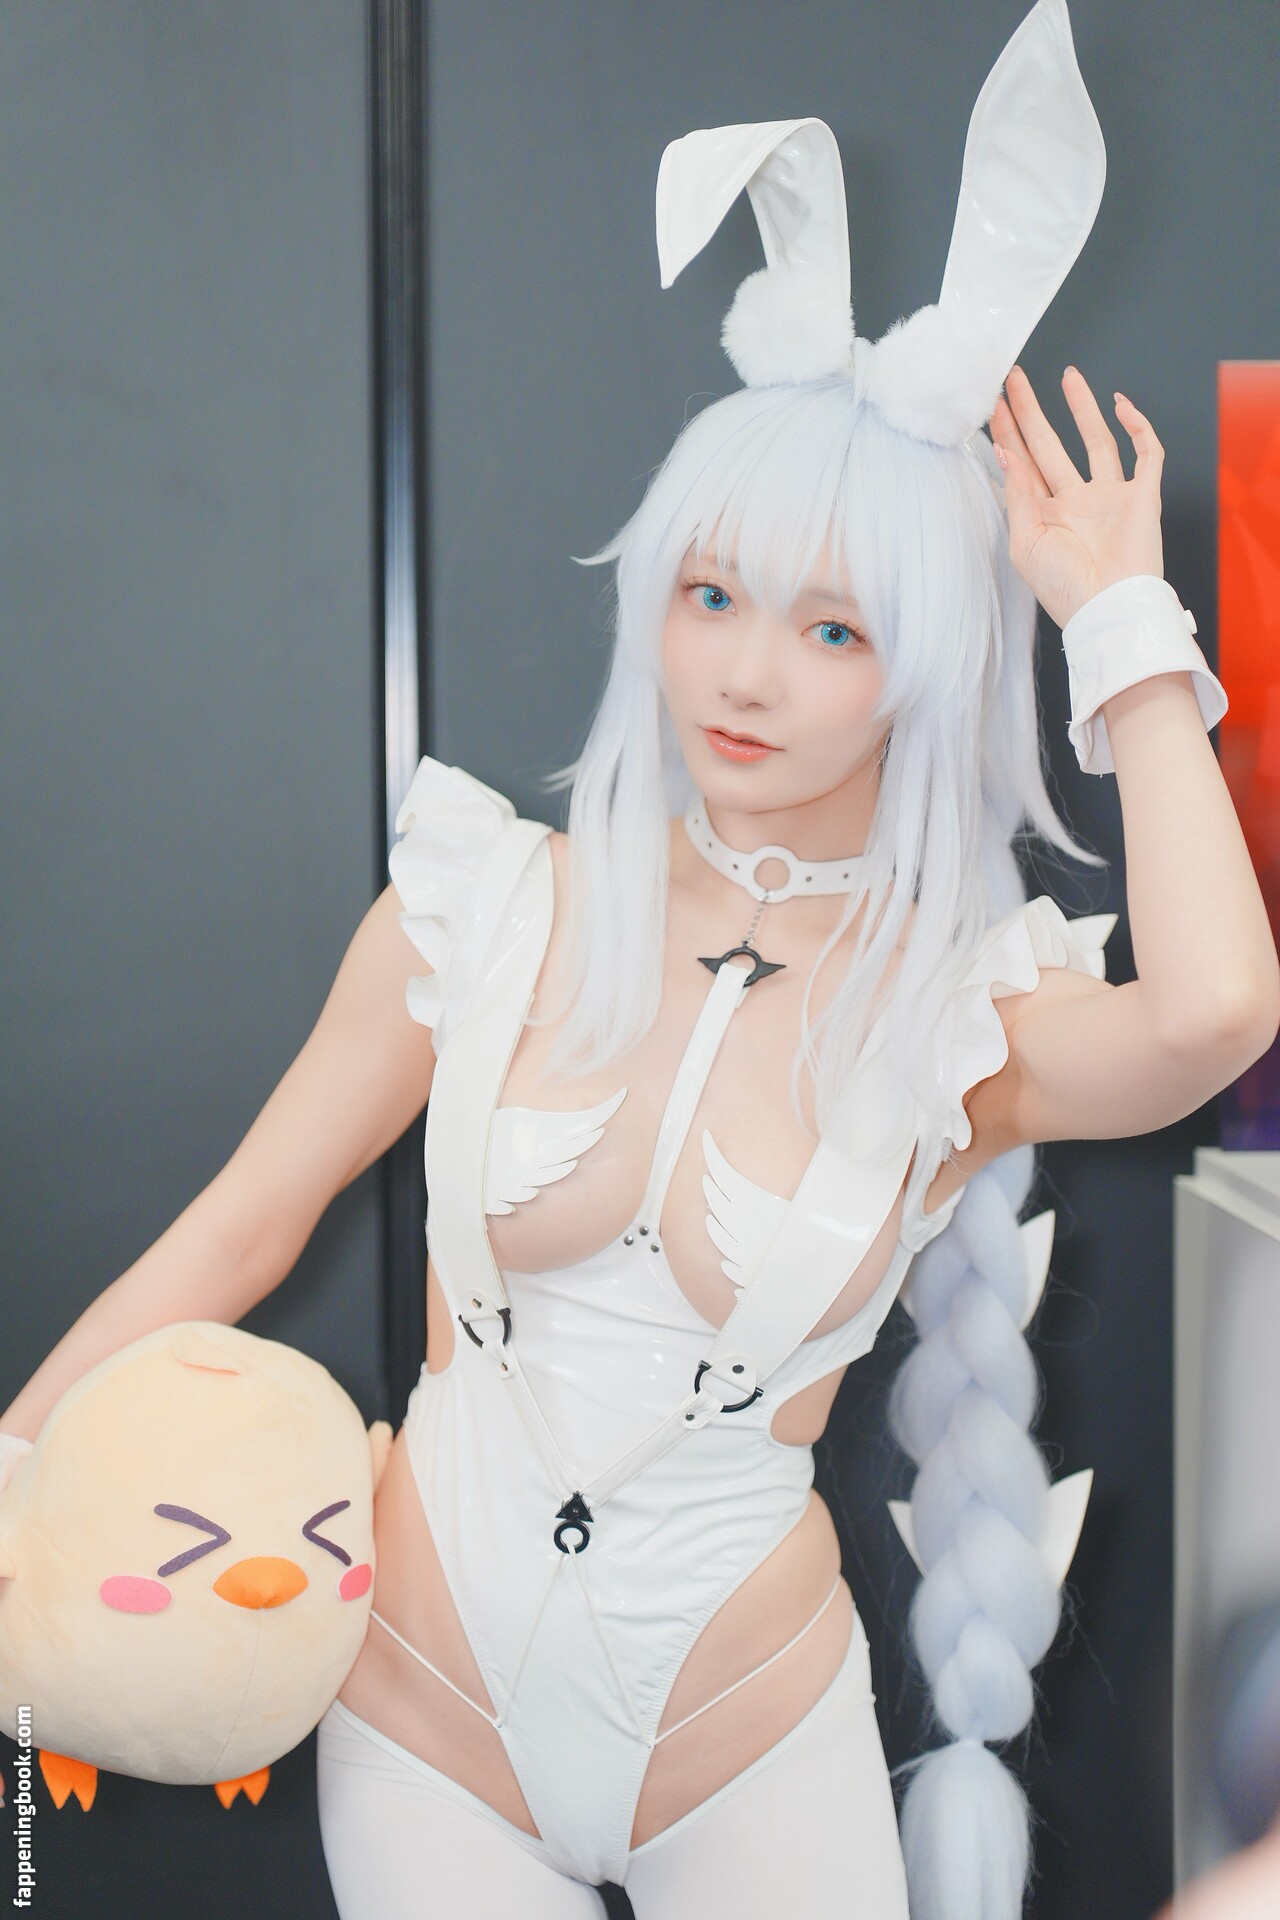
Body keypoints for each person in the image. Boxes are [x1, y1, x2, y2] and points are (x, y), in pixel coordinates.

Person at [2, 3, 1275, 1915]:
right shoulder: (477, 903)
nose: (746, 671)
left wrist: (1122, 624)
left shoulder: (957, 1013)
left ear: (925, 666)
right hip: (418, 1716)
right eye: (710, 594)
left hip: (746, 1745)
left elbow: (1215, 1013)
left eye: (834, 629)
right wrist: (16, 1476)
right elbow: (242, 1228)